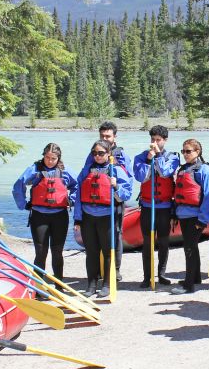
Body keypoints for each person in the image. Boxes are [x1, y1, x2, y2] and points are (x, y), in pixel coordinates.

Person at [12, 143, 77, 288]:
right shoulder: (35, 170)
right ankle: (38, 287)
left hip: (60, 216)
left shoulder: (65, 171)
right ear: (43, 156)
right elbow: (18, 185)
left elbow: (77, 186)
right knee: (41, 253)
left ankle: (59, 286)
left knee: (57, 253)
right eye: (47, 157)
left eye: (53, 158)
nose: (50, 161)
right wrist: (23, 204)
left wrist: (71, 200)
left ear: (58, 158)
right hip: (39, 217)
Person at [74, 140, 132, 297]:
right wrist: (77, 219)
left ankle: (107, 284)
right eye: (94, 153)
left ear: (108, 154)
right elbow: (78, 194)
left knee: (108, 252)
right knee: (91, 252)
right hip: (88, 217)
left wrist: (116, 186)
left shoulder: (116, 170)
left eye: (101, 153)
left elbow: (126, 194)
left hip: (107, 216)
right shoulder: (87, 170)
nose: (97, 156)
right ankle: (91, 285)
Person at [133, 125, 180, 288]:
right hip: (147, 206)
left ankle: (161, 274)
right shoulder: (140, 157)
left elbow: (165, 173)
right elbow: (141, 177)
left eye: (158, 140)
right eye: (152, 139)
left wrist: (158, 155)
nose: (154, 142)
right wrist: (148, 160)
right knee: (147, 242)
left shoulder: (173, 157)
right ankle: (147, 277)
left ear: (165, 140)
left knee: (164, 242)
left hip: (165, 207)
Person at [171, 139, 209, 294]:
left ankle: (189, 285)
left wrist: (203, 220)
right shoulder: (183, 169)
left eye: (188, 151)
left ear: (197, 152)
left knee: (189, 248)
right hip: (183, 214)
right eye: (183, 151)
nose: (185, 154)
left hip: (196, 216)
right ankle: (195, 277)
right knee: (191, 246)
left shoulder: (204, 170)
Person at [87, 121, 132, 282]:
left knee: (116, 235)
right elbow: (86, 174)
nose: (105, 138)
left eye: (108, 136)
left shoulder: (122, 156)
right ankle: (100, 269)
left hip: (115, 199)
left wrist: (118, 191)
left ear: (114, 137)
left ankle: (115, 269)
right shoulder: (95, 152)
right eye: (102, 135)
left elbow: (129, 179)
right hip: (96, 201)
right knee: (98, 237)